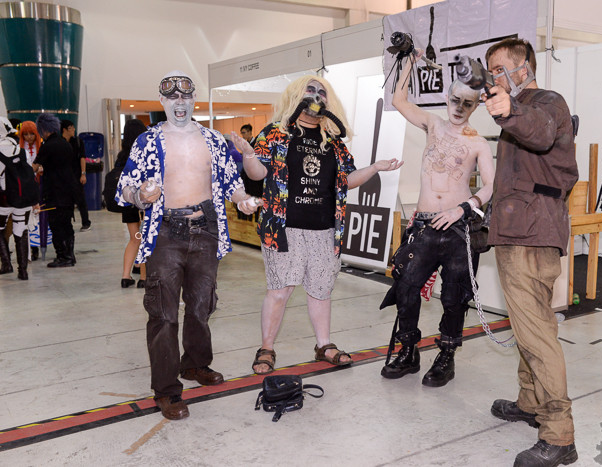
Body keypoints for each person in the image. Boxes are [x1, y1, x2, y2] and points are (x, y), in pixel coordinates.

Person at [231, 75, 402, 375]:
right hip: (283, 229)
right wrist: (248, 154)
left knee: (321, 290)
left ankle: (324, 345)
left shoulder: (332, 140)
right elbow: (257, 174)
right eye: (310, 90)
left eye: (322, 92)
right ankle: (267, 347)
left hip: (325, 230)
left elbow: (346, 180)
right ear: (297, 95)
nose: (316, 95)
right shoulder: (275, 132)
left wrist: (375, 168)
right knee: (280, 290)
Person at [116, 71, 258, 420]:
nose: (179, 102)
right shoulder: (147, 141)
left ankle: (195, 364)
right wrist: (142, 195)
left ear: (193, 100)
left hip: (206, 229)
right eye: (172, 97)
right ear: (162, 102)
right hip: (165, 232)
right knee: (163, 312)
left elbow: (231, 182)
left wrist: (242, 199)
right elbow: (125, 188)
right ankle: (166, 390)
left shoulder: (213, 139)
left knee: (201, 305)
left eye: (185, 96)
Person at [482, 38, 579, 467]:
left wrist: (510, 110)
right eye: (491, 71)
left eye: (500, 69)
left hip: (531, 233)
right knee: (528, 326)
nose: (494, 77)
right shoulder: (522, 109)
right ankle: (531, 402)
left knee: (536, 333)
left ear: (523, 69)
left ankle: (559, 435)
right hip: (520, 229)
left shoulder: (546, 103)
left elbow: (539, 132)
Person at [379, 50, 495, 387]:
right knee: (406, 287)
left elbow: (491, 185)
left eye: (467, 104)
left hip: (458, 228)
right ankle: (408, 351)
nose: (459, 108)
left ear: (476, 106)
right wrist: (409, 63)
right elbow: (399, 100)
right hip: (425, 225)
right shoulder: (432, 124)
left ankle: (446, 356)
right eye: (455, 100)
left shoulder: (479, 143)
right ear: (447, 97)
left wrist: (464, 207)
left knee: (454, 296)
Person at [34, 113, 80, 268]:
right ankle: (70, 255)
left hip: (54, 191)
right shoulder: (65, 144)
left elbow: (35, 166)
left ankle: (62, 256)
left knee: (56, 224)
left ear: (43, 129)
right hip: (69, 189)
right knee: (67, 224)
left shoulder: (47, 146)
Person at [0, 116, 39, 279]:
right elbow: (30, 174)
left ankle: (6, 264)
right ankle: (23, 271)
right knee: (20, 230)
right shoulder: (21, 149)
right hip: (24, 198)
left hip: (3, 199)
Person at [115, 119, 148, 288]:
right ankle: (143, 278)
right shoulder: (144, 152)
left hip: (127, 202)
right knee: (144, 238)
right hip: (143, 202)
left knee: (135, 238)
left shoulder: (122, 156)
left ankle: (125, 276)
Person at [61, 120, 91, 232]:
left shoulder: (78, 142)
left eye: (73, 127)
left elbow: (82, 158)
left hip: (76, 175)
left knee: (81, 199)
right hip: (63, 177)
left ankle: (86, 222)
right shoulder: (59, 143)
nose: (73, 130)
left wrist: (83, 173)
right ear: (64, 130)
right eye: (71, 128)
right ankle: (66, 223)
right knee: (66, 201)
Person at [19, 121, 42, 261]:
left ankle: (38, 245)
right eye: (25, 134)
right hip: (26, 187)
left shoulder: (42, 147)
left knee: (39, 217)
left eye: (31, 134)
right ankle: (32, 248)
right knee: (29, 218)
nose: (29, 137)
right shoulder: (19, 149)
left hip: (40, 185)